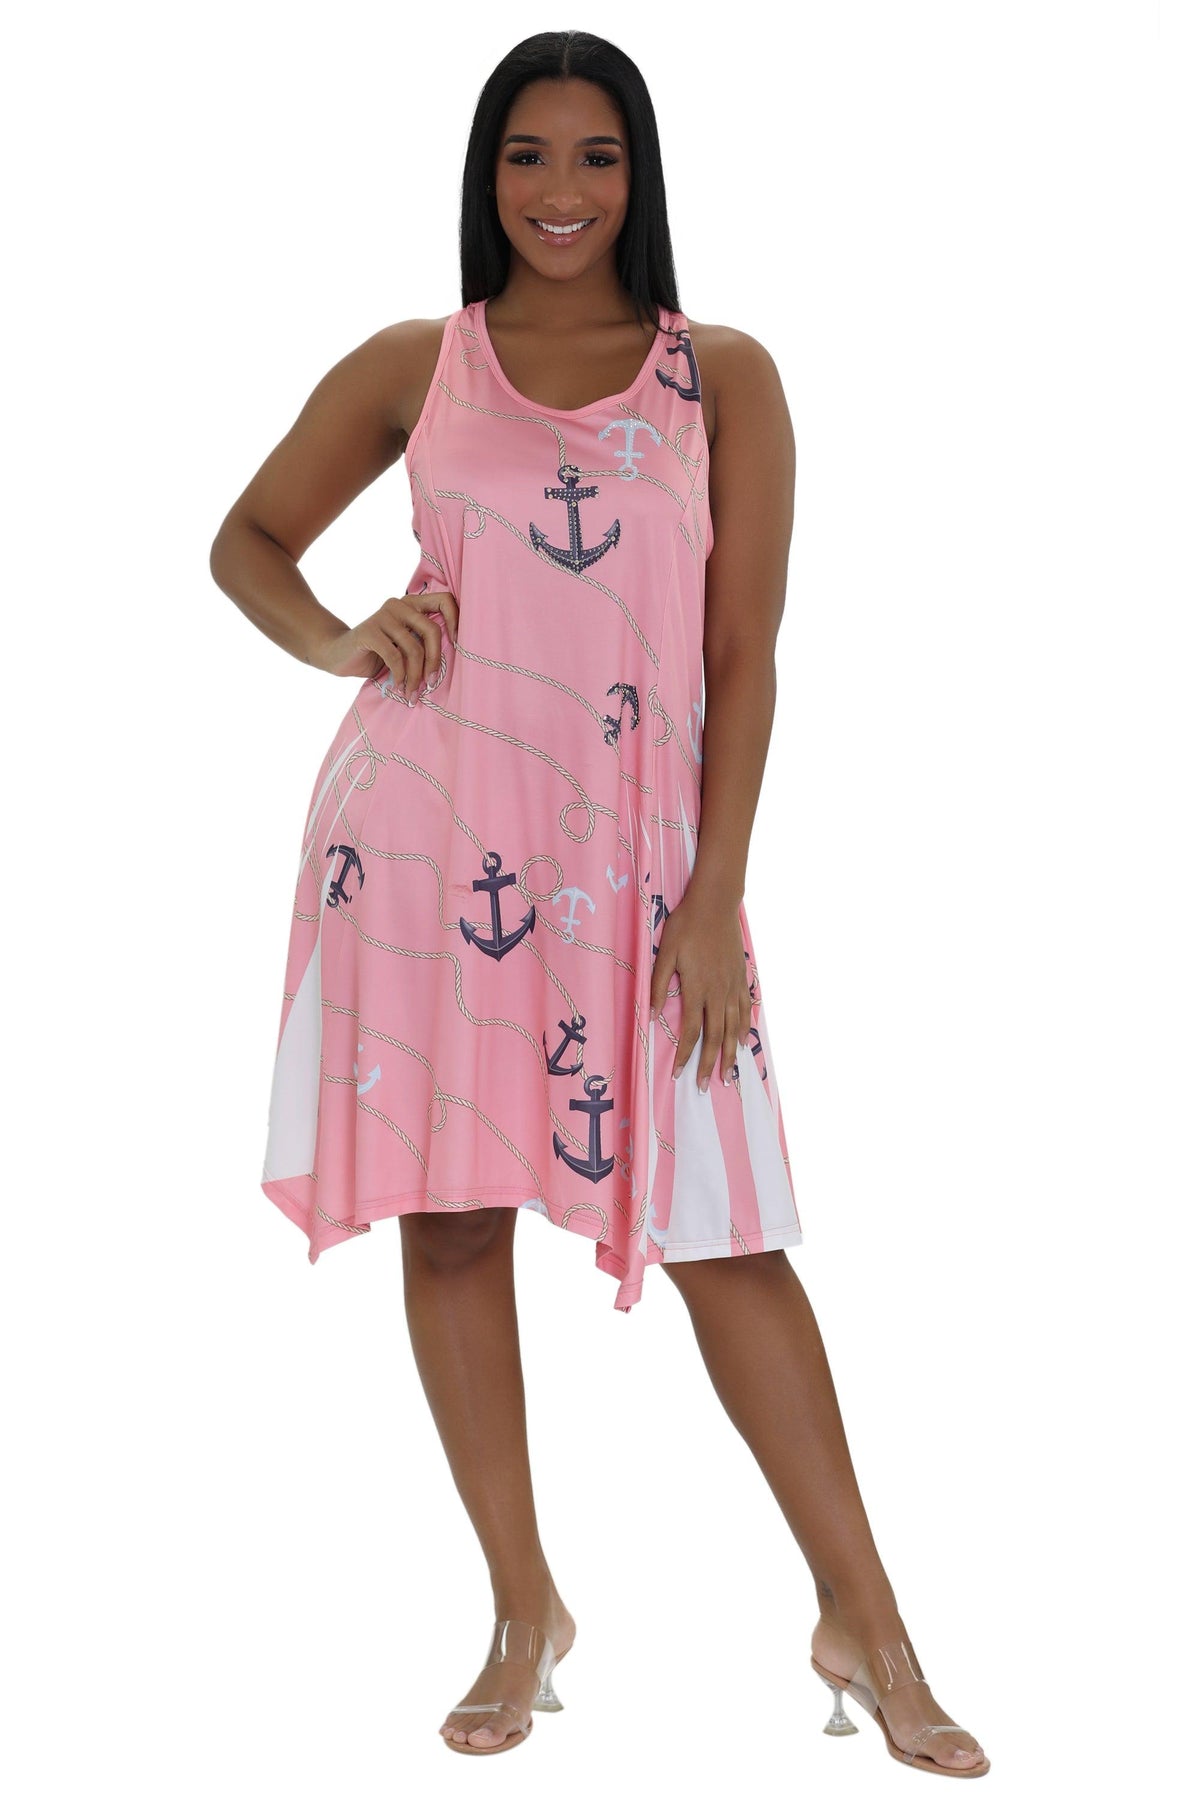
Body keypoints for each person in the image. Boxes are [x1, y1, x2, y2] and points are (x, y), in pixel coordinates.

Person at [209, 29, 989, 1776]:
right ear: (483, 175)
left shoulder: (726, 379)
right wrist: (341, 639)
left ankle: (868, 1619)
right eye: (527, 157)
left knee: (728, 1235)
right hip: (426, 843)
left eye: (596, 157)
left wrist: (715, 900)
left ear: (642, 175)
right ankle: (521, 1606)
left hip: (640, 874)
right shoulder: (416, 368)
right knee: (452, 1225)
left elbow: (745, 651)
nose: (560, 193)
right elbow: (246, 539)